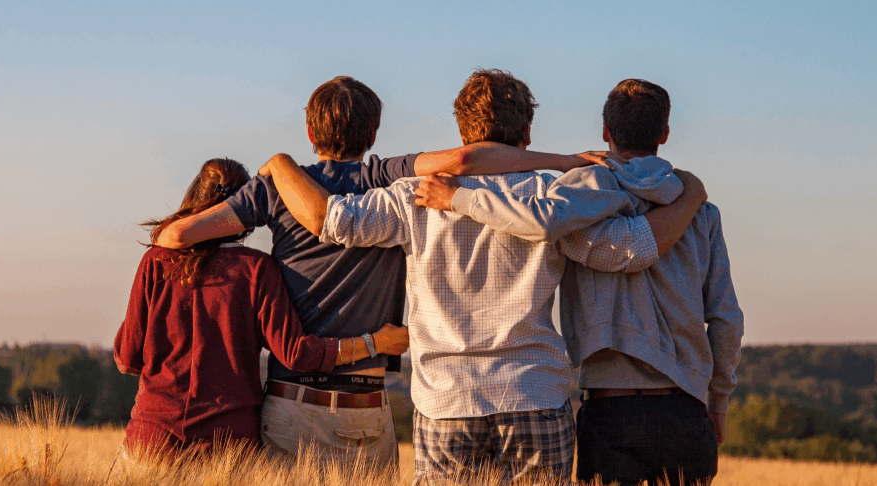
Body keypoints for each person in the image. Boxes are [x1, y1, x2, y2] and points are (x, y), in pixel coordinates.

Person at [263, 69, 708, 485]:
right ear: (527, 133)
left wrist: (280, 165)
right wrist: (689, 198)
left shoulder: (413, 196)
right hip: (534, 393)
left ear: (461, 131)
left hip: (446, 400)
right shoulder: (552, 198)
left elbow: (333, 221)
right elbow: (629, 249)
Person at [151, 76, 584, 470]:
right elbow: (467, 158)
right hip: (368, 405)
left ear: (310, 132)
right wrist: (566, 161)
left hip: (292, 401)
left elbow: (176, 237)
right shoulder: (386, 176)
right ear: (373, 133)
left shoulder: (274, 187)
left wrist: (275, 168)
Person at [417, 79, 744, 486]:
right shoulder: (701, 211)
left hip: (611, 409)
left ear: (605, 131)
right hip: (688, 409)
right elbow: (726, 317)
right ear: (664, 134)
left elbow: (538, 220)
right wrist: (718, 400)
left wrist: (459, 198)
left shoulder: (577, 198)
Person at [113, 157, 409, 458]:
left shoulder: (156, 263)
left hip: (152, 440)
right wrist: (375, 343)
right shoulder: (256, 269)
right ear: (243, 210)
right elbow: (296, 353)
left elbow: (127, 359)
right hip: (228, 447)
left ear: (195, 198)